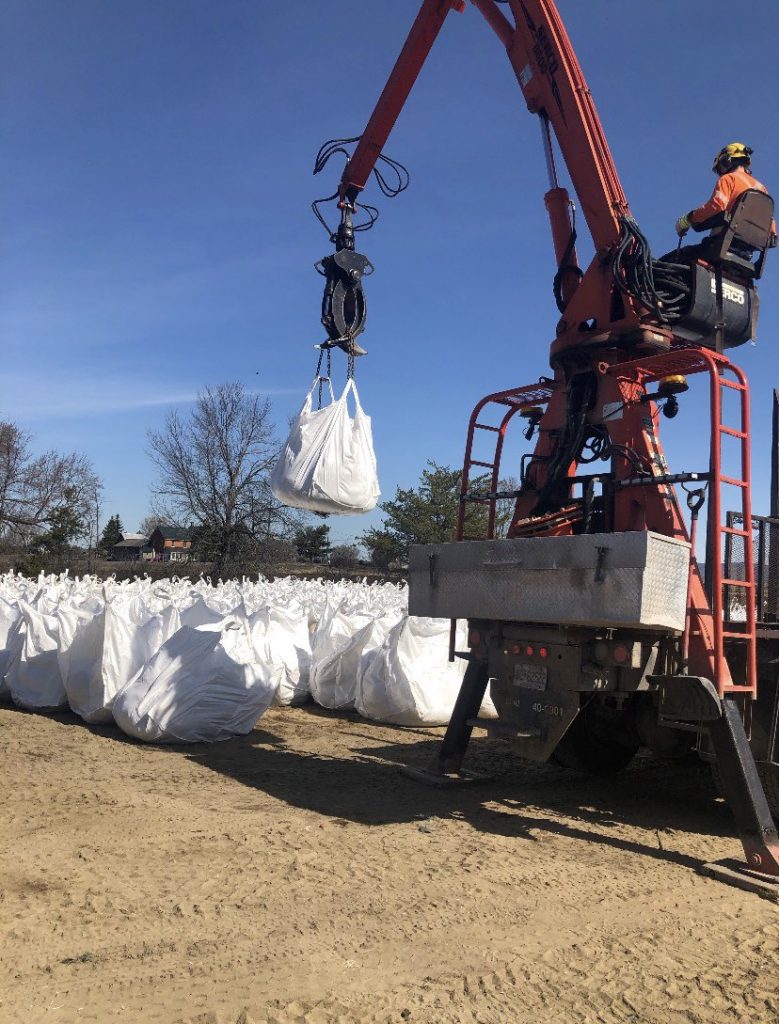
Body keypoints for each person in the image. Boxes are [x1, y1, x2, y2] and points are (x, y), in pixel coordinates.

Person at [673, 142, 776, 261]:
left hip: (721, 246)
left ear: (727, 160)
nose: (721, 172)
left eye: (720, 167)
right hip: (746, 256)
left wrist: (687, 220)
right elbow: (771, 230)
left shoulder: (728, 178)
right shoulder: (762, 189)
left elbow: (717, 205)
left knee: (671, 260)